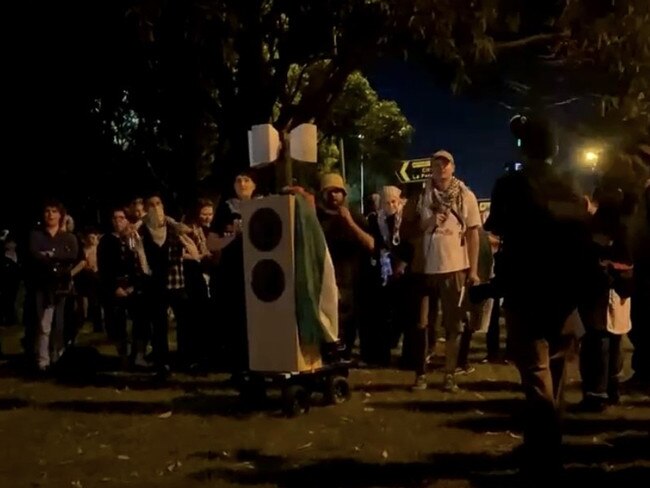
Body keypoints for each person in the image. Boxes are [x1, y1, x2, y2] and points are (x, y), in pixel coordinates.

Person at [484, 114, 596, 481]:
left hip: (526, 290)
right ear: (555, 148)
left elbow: (498, 226)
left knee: (536, 374)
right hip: (564, 291)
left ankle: (544, 454)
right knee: (560, 371)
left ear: (524, 146)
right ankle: (546, 447)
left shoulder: (510, 185)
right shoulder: (570, 184)